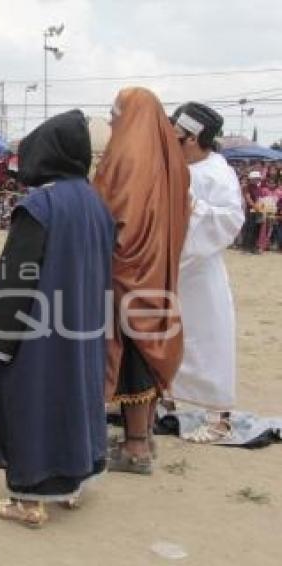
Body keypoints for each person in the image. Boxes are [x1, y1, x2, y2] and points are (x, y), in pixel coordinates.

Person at [0, 110, 115, 528]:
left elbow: (16, 278)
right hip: (82, 321)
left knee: (31, 399)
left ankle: (30, 500)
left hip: (40, 328)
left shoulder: (42, 204)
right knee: (76, 396)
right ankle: (73, 484)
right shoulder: (93, 200)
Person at [93, 88, 191, 474]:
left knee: (133, 352)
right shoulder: (174, 162)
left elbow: (120, 219)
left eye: (114, 112)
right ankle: (144, 435)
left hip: (128, 271)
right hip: (161, 269)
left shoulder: (128, 157)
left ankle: (135, 448)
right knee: (153, 347)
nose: (113, 119)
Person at [167, 103, 244, 442]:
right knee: (167, 338)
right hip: (173, 271)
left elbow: (230, 220)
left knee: (208, 342)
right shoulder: (180, 167)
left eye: (177, 136)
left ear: (193, 137)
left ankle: (219, 421)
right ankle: (163, 402)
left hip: (201, 272)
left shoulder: (217, 171)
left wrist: (194, 207)